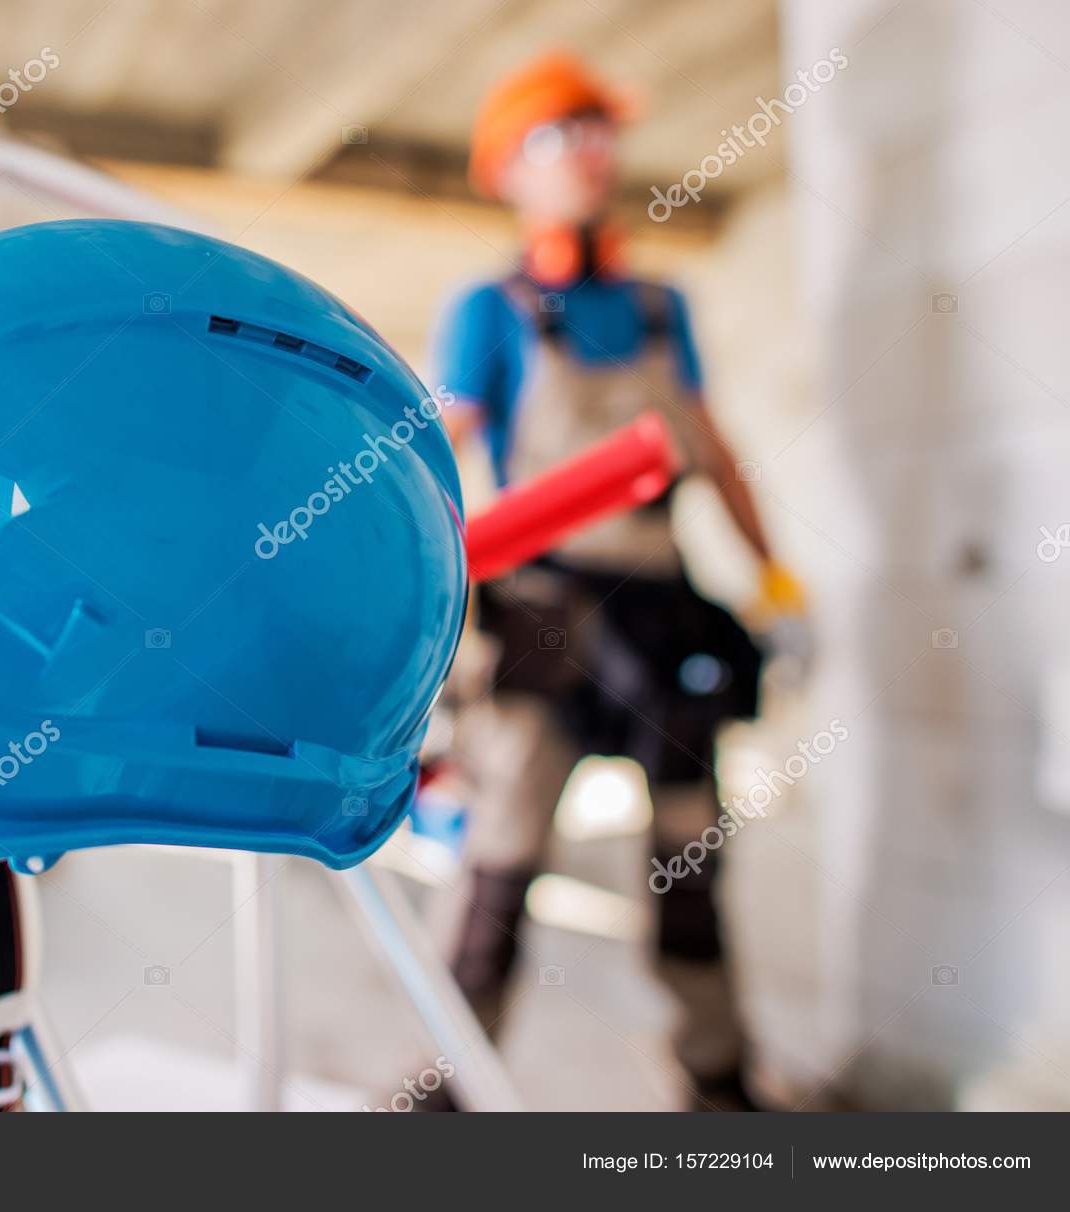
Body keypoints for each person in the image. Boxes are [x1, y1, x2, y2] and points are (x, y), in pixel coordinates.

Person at [431, 51, 807, 1111]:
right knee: (497, 863)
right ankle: (448, 1084)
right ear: (509, 169)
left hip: (660, 612)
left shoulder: (658, 306)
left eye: (600, 134)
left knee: (691, 857)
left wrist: (775, 583)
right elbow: (435, 454)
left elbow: (715, 452)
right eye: (562, 138)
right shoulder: (489, 311)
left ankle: (717, 1075)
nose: (592, 157)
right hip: (543, 615)